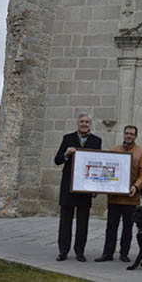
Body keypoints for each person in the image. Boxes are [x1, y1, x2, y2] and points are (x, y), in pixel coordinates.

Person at [95, 125, 142, 262]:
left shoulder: (141, 152)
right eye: (127, 133)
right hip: (114, 197)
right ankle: (107, 253)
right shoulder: (114, 150)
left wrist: (136, 187)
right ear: (124, 135)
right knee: (111, 227)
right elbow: (106, 171)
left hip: (131, 197)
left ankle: (124, 253)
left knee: (127, 228)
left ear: (135, 136)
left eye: (131, 134)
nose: (129, 136)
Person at [54, 112, 102, 262]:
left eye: (87, 122)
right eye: (82, 121)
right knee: (65, 222)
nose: (84, 124)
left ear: (90, 125)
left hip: (85, 187)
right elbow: (57, 160)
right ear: (77, 123)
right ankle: (63, 251)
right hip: (68, 186)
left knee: (83, 222)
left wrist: (96, 187)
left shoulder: (96, 141)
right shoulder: (67, 139)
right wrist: (66, 154)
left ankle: (80, 251)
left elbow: (98, 165)